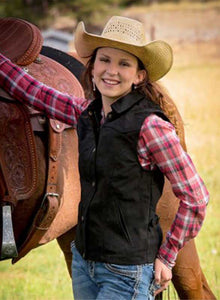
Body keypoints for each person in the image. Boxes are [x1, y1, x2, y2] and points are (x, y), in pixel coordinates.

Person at [0, 16, 209, 300]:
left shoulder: (151, 127)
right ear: (93, 66)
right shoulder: (86, 113)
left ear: (139, 76)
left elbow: (196, 196)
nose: (111, 71)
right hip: (86, 265)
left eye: (124, 64)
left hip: (128, 272)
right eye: (105, 60)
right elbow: (34, 92)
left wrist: (168, 256)